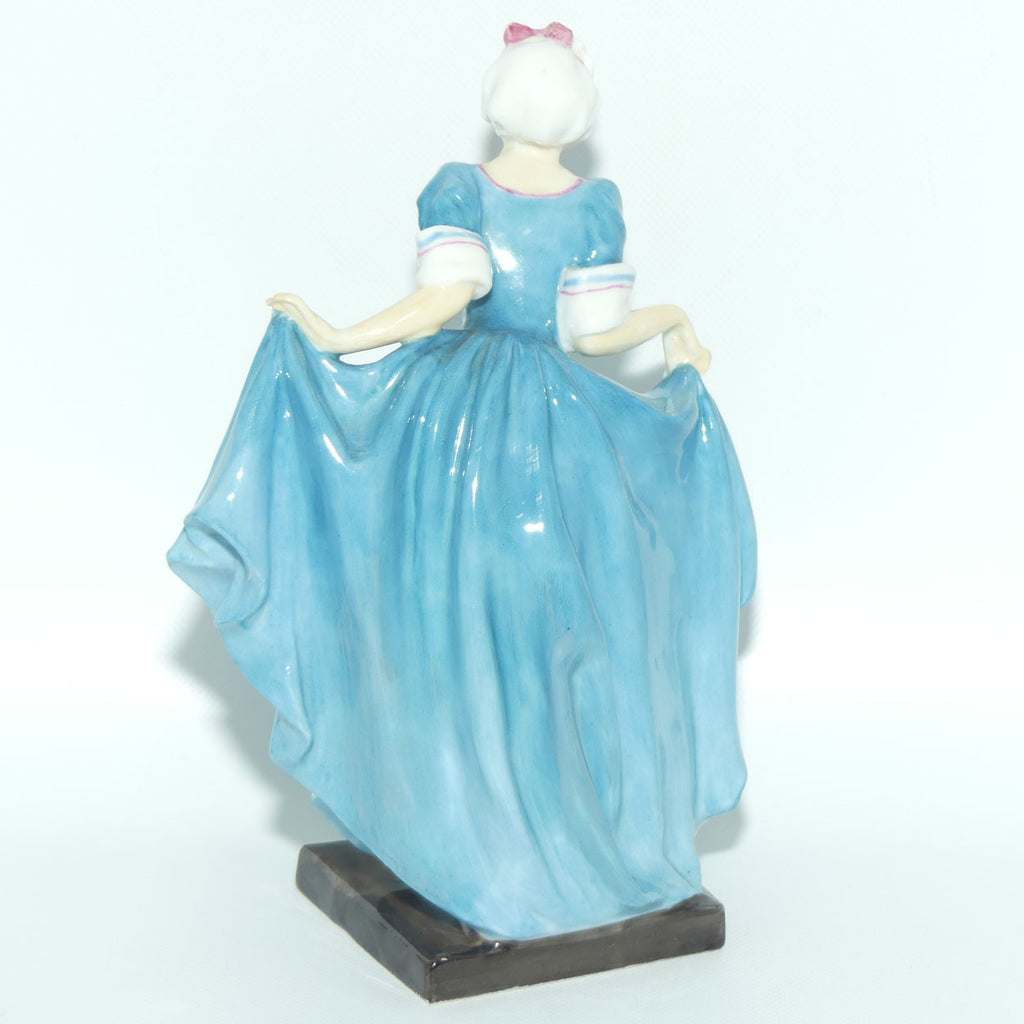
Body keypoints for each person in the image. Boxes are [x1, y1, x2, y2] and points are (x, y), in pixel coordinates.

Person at [168, 23, 756, 941]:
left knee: (453, 616)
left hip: (462, 430)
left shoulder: (470, 189)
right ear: (580, 108)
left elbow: (446, 302)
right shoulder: (589, 203)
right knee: (558, 624)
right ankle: (506, 832)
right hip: (551, 426)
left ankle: (486, 828)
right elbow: (589, 336)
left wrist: (340, 337)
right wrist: (675, 320)